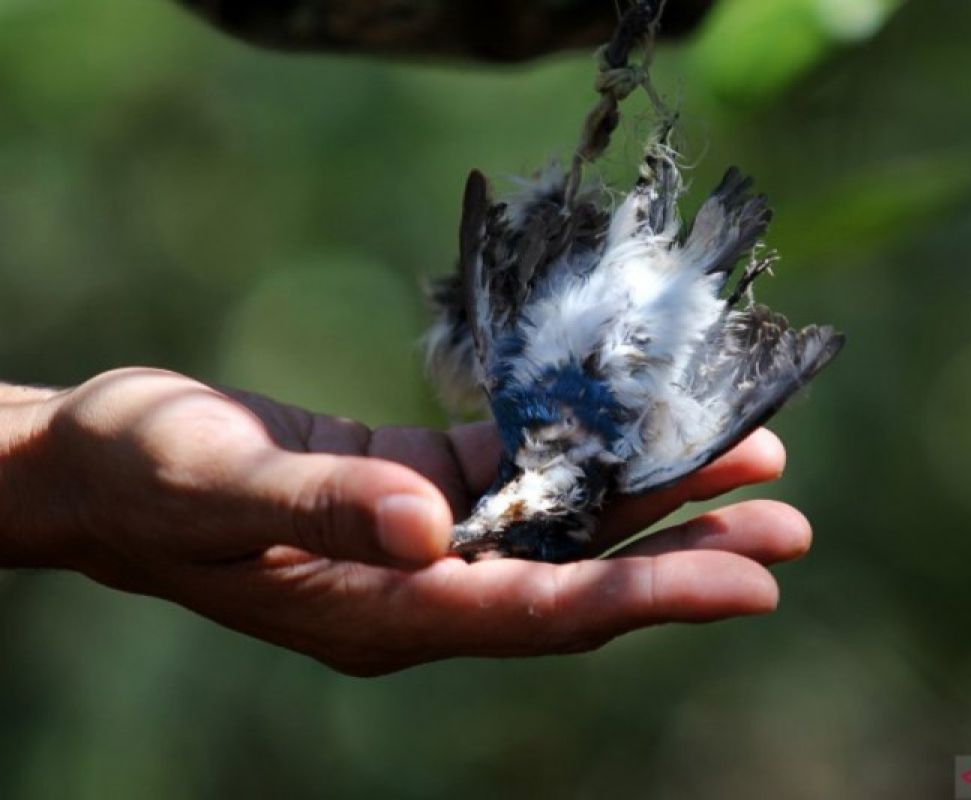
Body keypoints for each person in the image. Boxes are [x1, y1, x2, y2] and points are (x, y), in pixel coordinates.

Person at [0, 0, 813, 676]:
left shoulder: (515, 394)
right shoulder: (623, 445)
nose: (502, 516)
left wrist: (49, 471)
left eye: (506, 523)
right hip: (644, 284)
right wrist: (48, 475)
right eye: (526, 526)